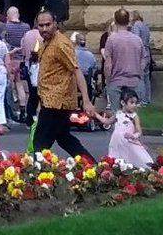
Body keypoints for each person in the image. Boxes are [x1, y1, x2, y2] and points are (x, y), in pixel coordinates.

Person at [32, 9, 90, 158]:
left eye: (48, 25)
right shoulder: (45, 42)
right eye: (41, 25)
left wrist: (86, 100)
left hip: (57, 102)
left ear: (55, 24)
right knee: (64, 139)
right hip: (49, 99)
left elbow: (76, 70)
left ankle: (36, 174)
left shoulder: (61, 44)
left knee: (40, 142)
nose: (44, 29)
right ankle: (91, 165)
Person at [102, 9, 144, 108]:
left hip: (117, 81)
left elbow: (108, 65)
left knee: (117, 115)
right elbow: (142, 63)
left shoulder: (111, 40)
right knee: (133, 116)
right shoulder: (138, 40)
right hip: (134, 81)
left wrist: (108, 81)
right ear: (129, 21)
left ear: (115, 21)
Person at [107, 89, 154, 168]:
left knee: (137, 159)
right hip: (116, 143)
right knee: (116, 160)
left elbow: (139, 131)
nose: (134, 105)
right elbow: (107, 121)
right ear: (123, 103)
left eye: (135, 103)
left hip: (129, 142)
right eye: (131, 103)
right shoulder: (118, 114)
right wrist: (96, 115)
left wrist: (133, 136)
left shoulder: (134, 116)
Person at [131, 12, 154, 102]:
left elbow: (136, 40)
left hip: (141, 53)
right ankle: (147, 98)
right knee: (146, 78)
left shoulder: (136, 25)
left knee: (140, 77)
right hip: (147, 52)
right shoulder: (145, 26)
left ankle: (141, 99)